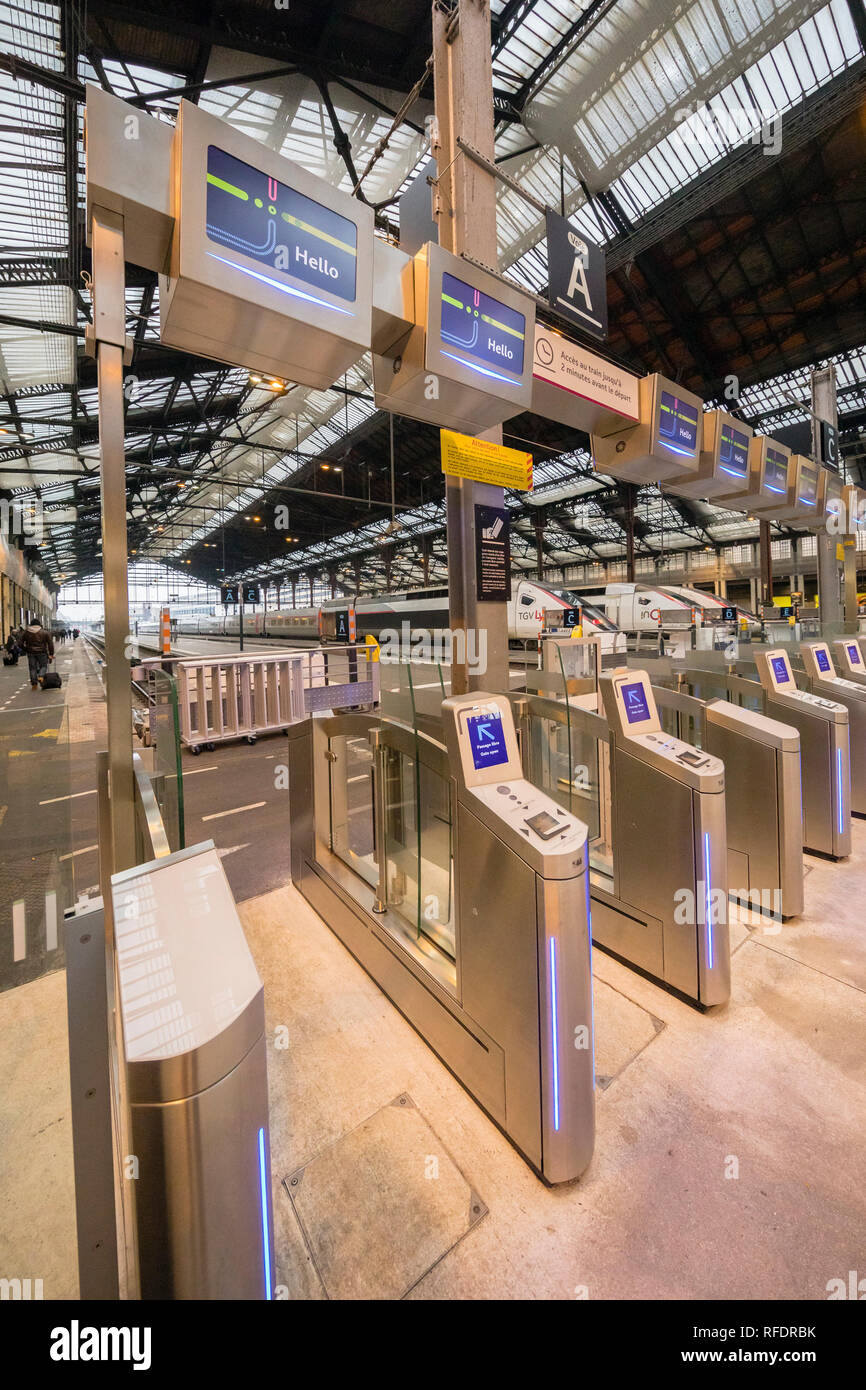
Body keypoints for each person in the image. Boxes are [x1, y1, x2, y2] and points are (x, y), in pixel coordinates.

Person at [21, 619, 55, 690]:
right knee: (43, 666)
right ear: (39, 624)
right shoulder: (45, 632)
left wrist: (26, 649)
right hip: (42, 652)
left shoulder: (26, 633)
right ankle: (41, 676)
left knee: (32, 668)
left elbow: (19, 643)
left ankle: (34, 683)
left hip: (31, 653)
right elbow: (50, 644)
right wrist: (51, 654)